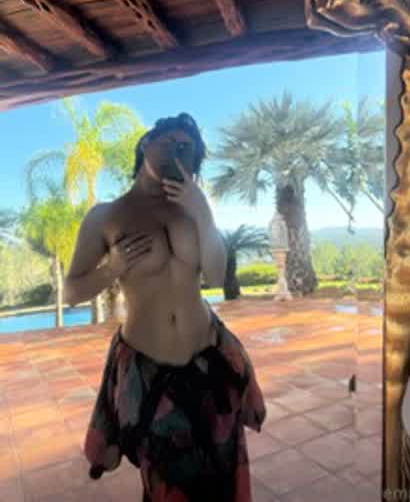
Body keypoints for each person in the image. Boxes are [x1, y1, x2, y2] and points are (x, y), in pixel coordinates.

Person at [64, 112, 266, 501]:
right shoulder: (106, 215)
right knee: (165, 482)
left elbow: (216, 275)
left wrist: (203, 212)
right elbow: (71, 293)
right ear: (145, 145)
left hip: (208, 358)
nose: (177, 152)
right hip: (149, 370)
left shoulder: (193, 209)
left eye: (187, 148)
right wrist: (112, 269)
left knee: (223, 468)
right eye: (168, 143)